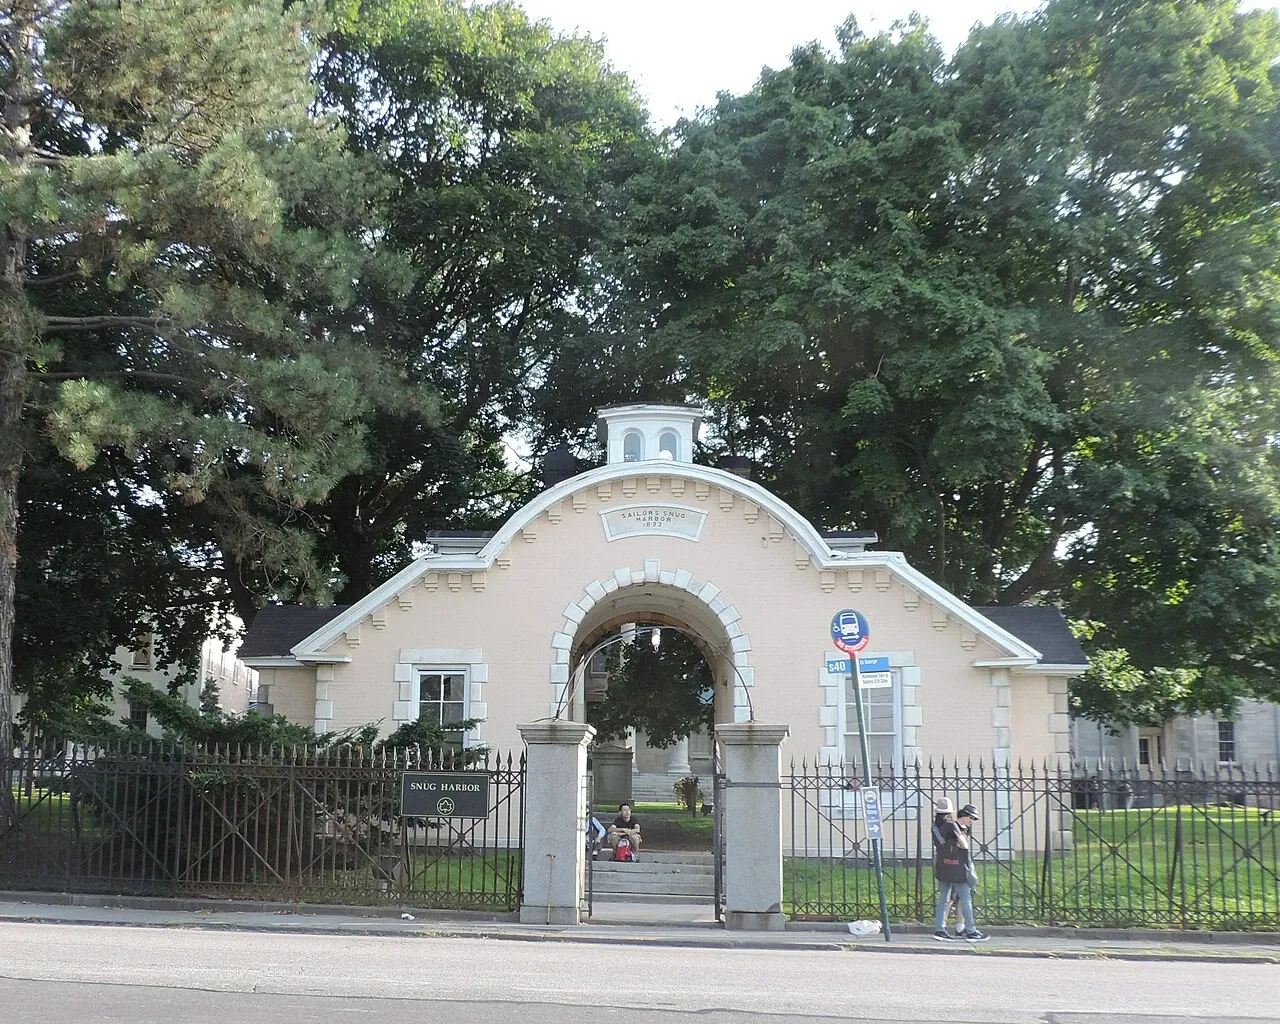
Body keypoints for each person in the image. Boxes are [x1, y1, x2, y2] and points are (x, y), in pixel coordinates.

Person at [933, 802, 988, 942]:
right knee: (966, 899)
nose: (972, 821)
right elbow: (964, 845)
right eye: (971, 817)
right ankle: (971, 931)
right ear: (963, 815)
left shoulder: (937, 827)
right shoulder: (952, 825)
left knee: (944, 899)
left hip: (943, 866)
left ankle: (940, 930)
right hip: (958, 868)